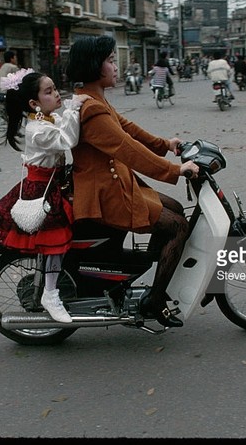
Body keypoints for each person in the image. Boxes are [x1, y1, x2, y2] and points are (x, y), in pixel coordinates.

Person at [66, 36, 199, 328]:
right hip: (106, 195)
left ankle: (140, 273)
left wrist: (166, 144)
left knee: (175, 206)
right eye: (111, 61)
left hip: (115, 185)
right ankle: (155, 298)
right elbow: (127, 148)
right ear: (94, 65)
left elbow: (129, 129)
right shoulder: (92, 109)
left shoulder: (94, 98)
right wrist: (175, 170)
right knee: (178, 226)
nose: (116, 67)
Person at [0, 68, 91, 323]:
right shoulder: (37, 130)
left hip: (54, 185)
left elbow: (62, 126)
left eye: (55, 89)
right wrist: (74, 108)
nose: (56, 94)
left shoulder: (45, 120)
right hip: (41, 192)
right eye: (49, 91)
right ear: (34, 103)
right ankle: (50, 293)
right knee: (55, 242)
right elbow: (67, 139)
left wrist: (73, 109)